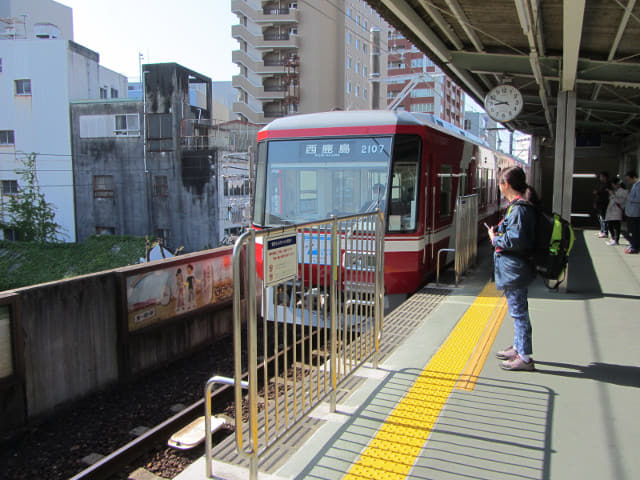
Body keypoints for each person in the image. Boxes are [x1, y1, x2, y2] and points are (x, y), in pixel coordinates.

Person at [487, 166, 539, 371]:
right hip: (514, 267)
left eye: (499, 183)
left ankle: (525, 357)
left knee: (519, 313)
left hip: (515, 267)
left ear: (505, 184)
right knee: (517, 310)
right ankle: (518, 347)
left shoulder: (519, 209)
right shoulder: (519, 206)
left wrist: (495, 238)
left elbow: (515, 239)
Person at [604, 179, 627, 246]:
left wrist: (613, 195)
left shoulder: (624, 191)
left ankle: (616, 240)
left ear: (617, 184)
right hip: (611, 211)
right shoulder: (616, 191)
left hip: (617, 211)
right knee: (610, 225)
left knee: (616, 226)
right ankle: (613, 238)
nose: (613, 186)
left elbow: (620, 201)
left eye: (614, 184)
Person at [623, 170, 640, 254]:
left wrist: (629, 198)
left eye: (629, 179)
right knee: (632, 231)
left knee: (635, 231)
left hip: (635, 213)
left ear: (633, 177)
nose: (628, 181)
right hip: (632, 212)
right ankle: (633, 245)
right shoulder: (635, 185)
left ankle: (635, 247)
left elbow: (638, 198)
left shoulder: (638, 186)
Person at [593, 171, 612, 238]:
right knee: (600, 217)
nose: (600, 178)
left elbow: (605, 195)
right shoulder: (602, 184)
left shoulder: (608, 185)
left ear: (605, 177)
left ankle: (605, 232)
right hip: (599, 203)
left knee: (603, 218)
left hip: (604, 204)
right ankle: (602, 230)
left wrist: (598, 192)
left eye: (601, 176)